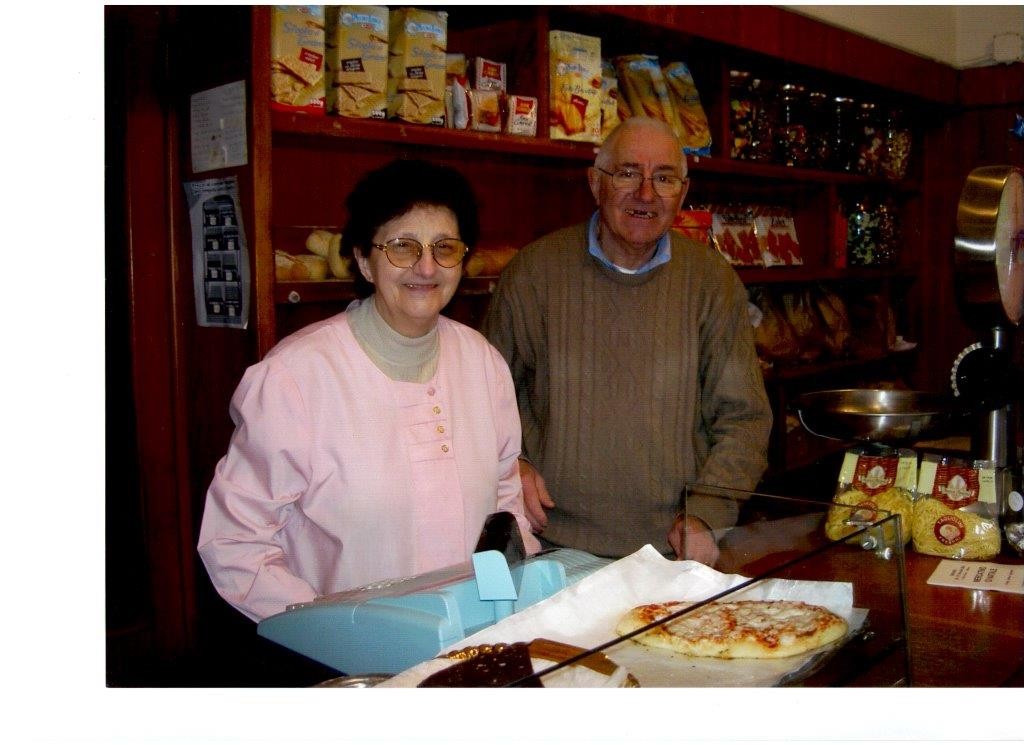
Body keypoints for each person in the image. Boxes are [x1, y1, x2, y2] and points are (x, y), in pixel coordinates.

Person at [198, 159, 540, 622]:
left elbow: (505, 501)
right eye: (402, 247)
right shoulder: (295, 377)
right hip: (342, 652)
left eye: (445, 247)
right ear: (363, 258)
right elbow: (235, 541)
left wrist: (503, 603)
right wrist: (330, 628)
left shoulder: (482, 363)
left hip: (470, 636)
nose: (426, 266)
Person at [483, 117, 772, 564]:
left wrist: (707, 514)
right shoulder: (535, 272)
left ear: (683, 192)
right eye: (627, 173)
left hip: (672, 551)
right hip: (553, 549)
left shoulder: (713, 282)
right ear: (595, 182)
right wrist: (511, 465)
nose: (646, 194)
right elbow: (484, 396)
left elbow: (745, 419)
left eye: (663, 178)